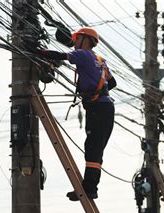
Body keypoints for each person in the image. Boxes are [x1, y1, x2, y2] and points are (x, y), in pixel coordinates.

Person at [37, 27, 117, 201]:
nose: (74, 43)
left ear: (85, 40)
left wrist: (37, 51)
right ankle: (90, 187)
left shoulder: (83, 54)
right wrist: (97, 94)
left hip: (98, 108)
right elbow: (113, 83)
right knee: (95, 148)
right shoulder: (100, 59)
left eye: (77, 39)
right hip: (105, 108)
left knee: (93, 149)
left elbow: (60, 56)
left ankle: (90, 189)